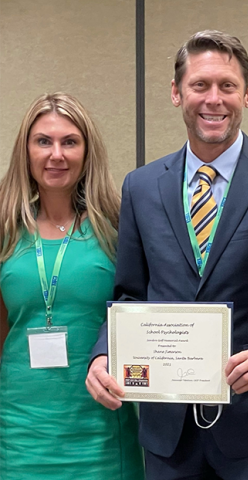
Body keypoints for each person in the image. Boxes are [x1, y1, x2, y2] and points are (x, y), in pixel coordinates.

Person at [86, 30, 248, 479]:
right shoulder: (141, 187)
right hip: (167, 434)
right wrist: (105, 355)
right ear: (177, 93)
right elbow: (130, 295)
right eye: (200, 85)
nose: (213, 99)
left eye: (227, 86)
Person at [0, 93, 144, 479]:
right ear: (26, 151)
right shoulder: (5, 229)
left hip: (100, 426)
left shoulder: (118, 226)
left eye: (70, 142)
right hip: (18, 430)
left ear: (87, 151)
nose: (56, 154)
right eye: (43, 141)